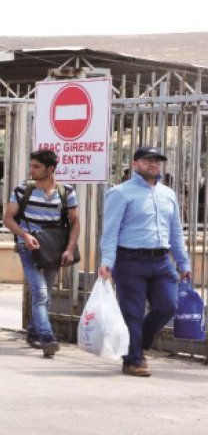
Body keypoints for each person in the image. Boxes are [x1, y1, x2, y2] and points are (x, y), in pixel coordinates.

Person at [99, 146, 190, 377]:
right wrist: (107, 261)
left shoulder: (168, 194)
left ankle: (137, 346)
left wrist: (183, 263)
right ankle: (133, 361)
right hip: (130, 261)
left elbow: (175, 232)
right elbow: (110, 231)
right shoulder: (120, 193)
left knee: (168, 306)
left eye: (157, 161)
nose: (153, 164)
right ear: (135, 164)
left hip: (162, 261)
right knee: (132, 313)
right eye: (147, 160)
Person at [3, 149, 79, 358]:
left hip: (53, 248)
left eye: (36, 166)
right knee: (40, 292)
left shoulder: (67, 192)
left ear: (50, 169)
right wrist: (24, 236)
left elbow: (75, 222)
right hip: (27, 247)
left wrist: (69, 249)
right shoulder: (23, 190)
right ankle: (47, 337)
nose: (32, 170)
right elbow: (8, 218)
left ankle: (33, 332)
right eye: (31, 166)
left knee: (45, 294)